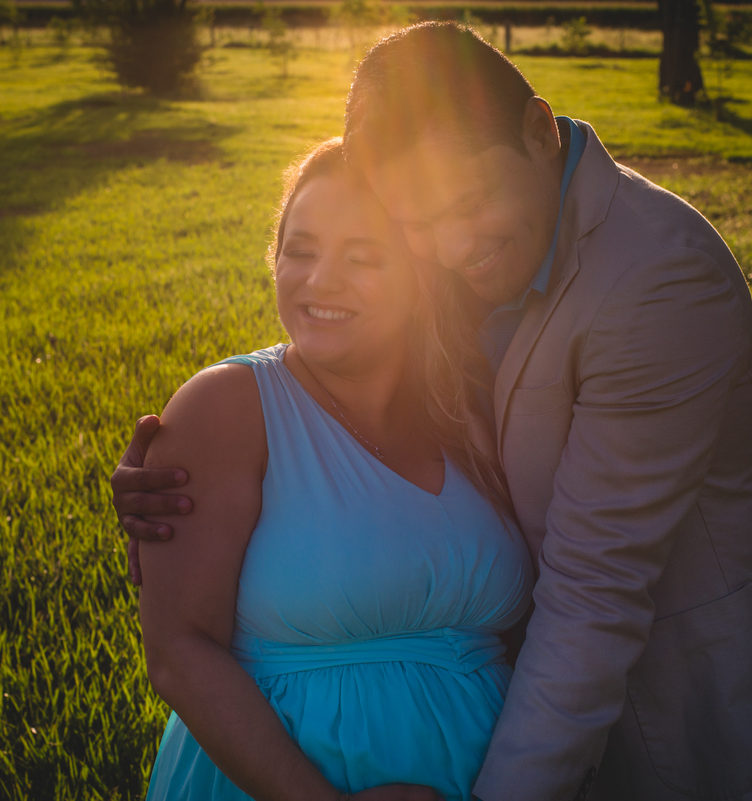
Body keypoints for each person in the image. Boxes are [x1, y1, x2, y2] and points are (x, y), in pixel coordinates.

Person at [115, 23, 752, 801]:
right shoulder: (472, 264)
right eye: (416, 223)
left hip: (674, 699)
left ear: (539, 130)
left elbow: (597, 588)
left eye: (468, 201)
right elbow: (341, 350)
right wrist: (195, 474)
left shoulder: (657, 283)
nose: (449, 245)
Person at [133, 138, 532, 801]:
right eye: (301, 250)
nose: (320, 281)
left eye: (363, 256)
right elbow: (177, 651)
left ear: (421, 276)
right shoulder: (226, 406)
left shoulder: (474, 410)